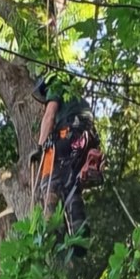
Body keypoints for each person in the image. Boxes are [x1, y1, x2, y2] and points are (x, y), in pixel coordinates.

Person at [31, 75, 104, 257]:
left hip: (67, 135)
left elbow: (49, 116)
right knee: (71, 184)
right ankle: (79, 232)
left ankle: (50, 231)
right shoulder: (79, 100)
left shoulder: (56, 87)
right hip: (86, 139)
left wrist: (41, 147)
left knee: (50, 183)